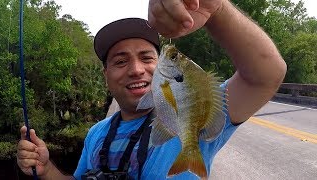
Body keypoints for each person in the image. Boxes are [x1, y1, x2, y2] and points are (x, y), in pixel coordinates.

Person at [16, 0, 287, 179]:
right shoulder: (96, 134)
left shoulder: (193, 117)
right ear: (106, 75)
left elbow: (265, 75)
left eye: (147, 58)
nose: (136, 69)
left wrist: (215, 9)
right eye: (120, 61)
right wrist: (48, 168)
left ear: (160, 68)